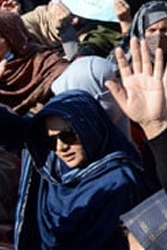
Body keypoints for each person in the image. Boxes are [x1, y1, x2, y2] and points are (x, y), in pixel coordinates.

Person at [14, 91, 150, 249]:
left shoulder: (118, 180)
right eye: (51, 140)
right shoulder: (51, 171)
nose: (61, 148)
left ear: (90, 128)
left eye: (69, 135)